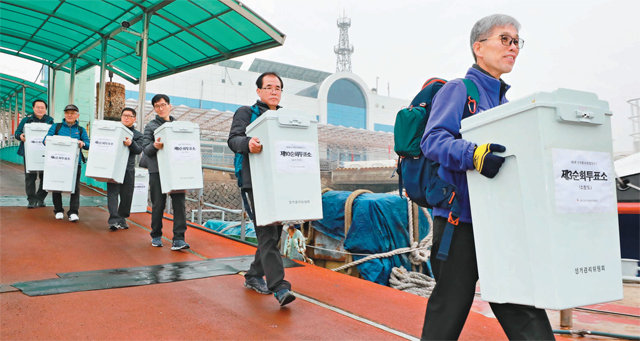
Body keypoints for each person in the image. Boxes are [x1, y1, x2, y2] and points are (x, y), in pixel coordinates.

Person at [420, 14, 555, 340]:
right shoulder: (459, 90)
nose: (513, 47)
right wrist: (474, 155)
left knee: (520, 302)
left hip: (499, 222)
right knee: (450, 307)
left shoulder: (505, 102)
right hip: (460, 222)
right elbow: (432, 140)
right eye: (505, 39)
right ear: (478, 48)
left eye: (516, 41)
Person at [228, 72, 296, 307]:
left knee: (274, 234)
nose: (274, 91)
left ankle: (253, 275)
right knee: (267, 232)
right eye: (268, 87)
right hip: (254, 182)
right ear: (259, 91)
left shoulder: (285, 117)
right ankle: (279, 287)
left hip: (279, 182)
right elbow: (233, 139)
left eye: (278, 87)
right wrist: (248, 144)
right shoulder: (246, 113)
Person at [141, 94, 190, 251]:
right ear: (154, 108)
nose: (160, 108)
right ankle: (156, 235)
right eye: (157, 106)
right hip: (157, 170)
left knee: (179, 204)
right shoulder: (150, 126)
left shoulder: (178, 126)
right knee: (158, 204)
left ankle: (179, 239)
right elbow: (146, 150)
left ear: (169, 106)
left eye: (163, 105)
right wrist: (155, 146)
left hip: (176, 171)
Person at [44, 104, 90, 222]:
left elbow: (88, 144)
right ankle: (58, 210)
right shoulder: (56, 127)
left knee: (75, 188)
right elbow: (45, 140)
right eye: (68, 113)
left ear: (77, 115)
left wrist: (82, 143)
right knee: (56, 185)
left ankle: (73, 212)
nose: (70, 115)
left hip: (75, 164)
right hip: (57, 162)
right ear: (64, 114)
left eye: (73, 113)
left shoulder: (80, 130)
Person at [107, 107, 143, 230]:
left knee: (126, 195)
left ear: (134, 119)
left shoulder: (138, 135)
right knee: (112, 193)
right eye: (124, 115)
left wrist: (131, 144)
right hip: (113, 167)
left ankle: (122, 219)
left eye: (129, 116)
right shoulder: (114, 131)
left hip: (128, 168)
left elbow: (138, 150)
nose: (126, 118)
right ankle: (113, 220)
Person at [15, 99, 55, 208]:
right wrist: (21, 136)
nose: (40, 109)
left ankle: (40, 198)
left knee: (45, 177)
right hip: (29, 153)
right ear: (33, 108)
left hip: (45, 153)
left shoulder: (50, 121)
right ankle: (31, 200)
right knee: (30, 177)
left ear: (45, 109)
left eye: (42, 107)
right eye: (37, 107)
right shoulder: (26, 120)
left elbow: (54, 135)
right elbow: (17, 133)